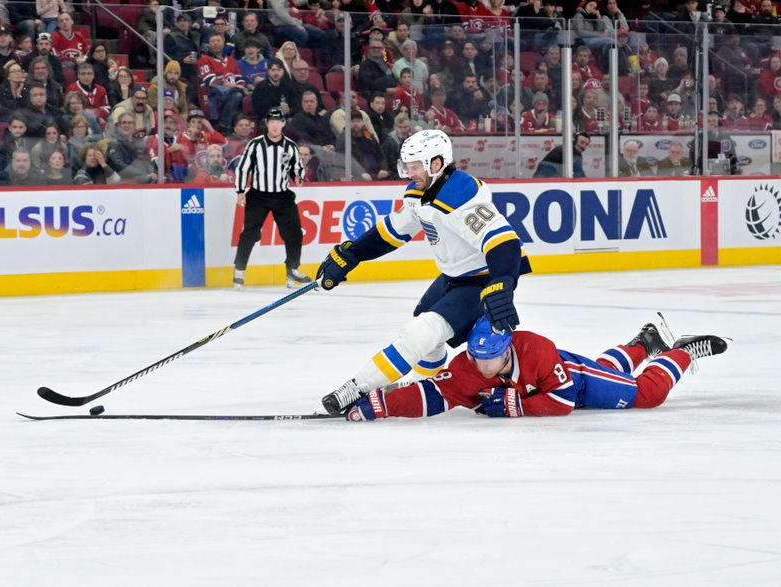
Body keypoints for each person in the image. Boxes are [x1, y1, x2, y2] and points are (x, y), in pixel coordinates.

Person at [317, 129, 530, 415]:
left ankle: (357, 387)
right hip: (454, 276)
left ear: (437, 164)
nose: (409, 172)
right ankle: (422, 382)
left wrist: (503, 282)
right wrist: (352, 253)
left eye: (415, 166)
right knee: (426, 335)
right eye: (406, 166)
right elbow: (393, 231)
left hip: (483, 278)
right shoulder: (420, 192)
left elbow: (504, 242)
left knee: (420, 333)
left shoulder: (461, 194)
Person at [346, 314, 728, 421]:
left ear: (507, 351)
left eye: (488, 359)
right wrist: (380, 405)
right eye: (475, 357)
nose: (480, 367)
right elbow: (431, 394)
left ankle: (681, 353)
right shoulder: (469, 366)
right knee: (608, 368)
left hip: (575, 385)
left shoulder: (537, 349)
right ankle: (643, 343)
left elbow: (562, 402)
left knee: (644, 394)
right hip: (557, 377)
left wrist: (518, 407)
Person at [233, 107, 312, 289]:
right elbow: (243, 168)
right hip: (258, 195)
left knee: (294, 233)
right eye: (272, 122)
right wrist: (240, 191)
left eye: (278, 122)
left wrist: (298, 176)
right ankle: (239, 270)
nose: (275, 125)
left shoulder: (291, 146)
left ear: (283, 124)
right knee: (250, 233)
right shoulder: (255, 144)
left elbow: (296, 168)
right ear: (267, 124)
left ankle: (292, 270)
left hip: (282, 196)